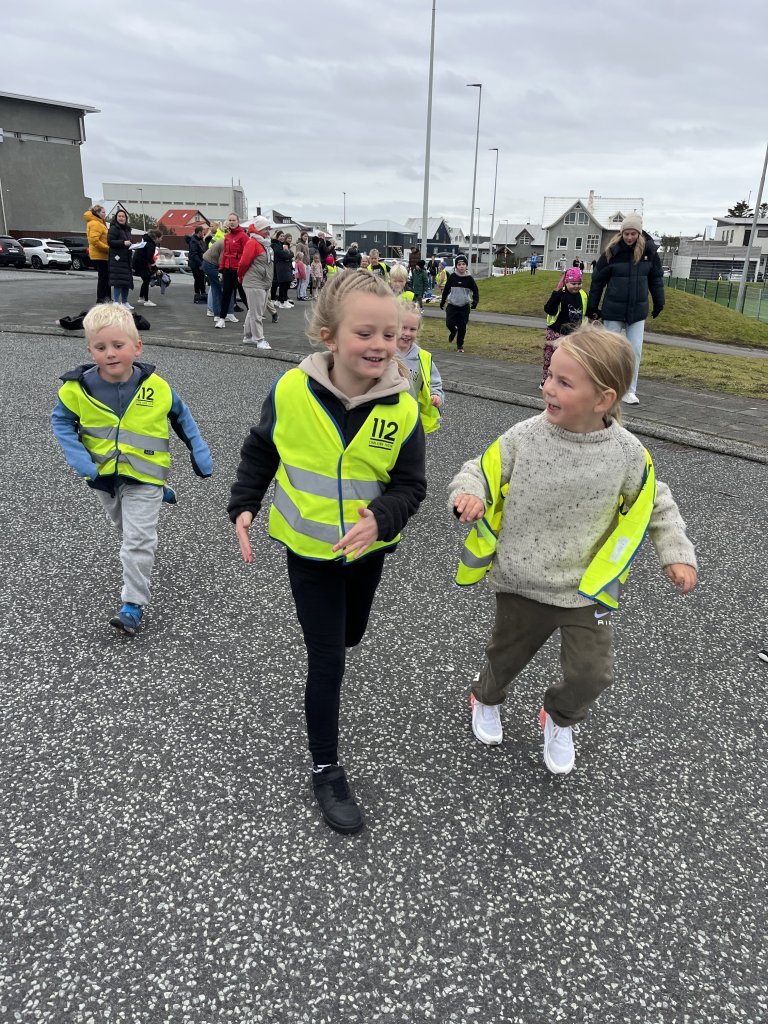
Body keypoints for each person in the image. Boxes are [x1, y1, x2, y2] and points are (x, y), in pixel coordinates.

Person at [228, 270, 426, 835]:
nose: (381, 345)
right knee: (328, 659)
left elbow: (411, 486)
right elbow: (261, 448)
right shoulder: (290, 391)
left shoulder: (402, 407)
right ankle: (326, 768)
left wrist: (380, 518)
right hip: (308, 553)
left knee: (351, 634)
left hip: (367, 553)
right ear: (328, 336)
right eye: (366, 333)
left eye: (389, 334)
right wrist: (244, 503)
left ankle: (340, 638)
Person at [449, 325, 697, 775]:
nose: (547, 387)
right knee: (505, 656)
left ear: (603, 399)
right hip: (523, 580)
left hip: (586, 589)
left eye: (563, 382)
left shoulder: (627, 453)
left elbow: (655, 501)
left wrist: (676, 552)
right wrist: (470, 493)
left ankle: (560, 716)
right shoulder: (526, 435)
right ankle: (485, 697)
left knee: (592, 674)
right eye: (549, 376)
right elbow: (480, 468)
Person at [51, 303, 212, 635]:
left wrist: (199, 451)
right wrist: (81, 461)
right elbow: (61, 423)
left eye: (118, 345)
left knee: (137, 541)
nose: (110, 353)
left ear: (137, 347)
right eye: (100, 347)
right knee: (126, 531)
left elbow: (183, 418)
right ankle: (158, 498)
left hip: (146, 475)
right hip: (103, 477)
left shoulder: (157, 387)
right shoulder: (76, 389)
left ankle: (132, 605)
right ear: (90, 350)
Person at [587, 214, 665, 407]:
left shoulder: (649, 253)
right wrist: (592, 306)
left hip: (637, 312)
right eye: (626, 233)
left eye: (633, 233)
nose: (629, 237)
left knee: (634, 351)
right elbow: (598, 281)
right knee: (609, 351)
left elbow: (656, 279)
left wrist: (659, 302)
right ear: (621, 234)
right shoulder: (612, 253)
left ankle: (630, 390)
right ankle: (605, 387)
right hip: (613, 310)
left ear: (639, 233)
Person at [396, 302, 443, 434]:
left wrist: (436, 395)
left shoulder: (423, 357)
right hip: (385, 413)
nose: (407, 333)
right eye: (403, 328)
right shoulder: (384, 352)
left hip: (411, 415)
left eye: (412, 329)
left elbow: (434, 383)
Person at [541, 266, 587, 386]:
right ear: (566, 282)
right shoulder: (560, 294)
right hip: (556, 332)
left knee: (569, 360)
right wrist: (556, 294)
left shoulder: (583, 295)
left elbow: (586, 309)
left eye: (579, 283)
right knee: (551, 359)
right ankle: (546, 380)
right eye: (573, 283)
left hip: (573, 334)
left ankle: (564, 381)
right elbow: (549, 309)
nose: (576, 286)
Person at [238, 217, 274, 349]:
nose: (268, 231)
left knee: (253, 311)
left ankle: (248, 337)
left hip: (262, 282)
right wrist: (241, 276)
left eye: (268, 228)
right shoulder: (253, 243)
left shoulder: (264, 243)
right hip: (254, 282)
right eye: (265, 228)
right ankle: (259, 339)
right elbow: (243, 263)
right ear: (259, 229)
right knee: (256, 314)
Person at [440, 254, 479, 353]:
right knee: (449, 323)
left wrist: (475, 301)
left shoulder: (469, 279)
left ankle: (460, 345)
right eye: (459, 264)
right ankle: (453, 331)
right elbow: (446, 290)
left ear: (466, 266)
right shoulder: (452, 277)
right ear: (456, 266)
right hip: (452, 305)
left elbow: (475, 291)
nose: (461, 266)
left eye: (463, 264)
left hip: (464, 306)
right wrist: (442, 301)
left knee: (462, 327)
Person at [215, 214, 247, 329]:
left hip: (239, 270)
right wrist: (221, 269)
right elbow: (225, 254)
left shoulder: (243, 236)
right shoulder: (227, 236)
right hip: (228, 270)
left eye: (234, 220)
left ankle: (251, 318)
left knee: (243, 295)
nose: (232, 222)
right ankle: (222, 319)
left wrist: (243, 269)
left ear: (238, 221)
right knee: (226, 295)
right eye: (230, 220)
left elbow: (246, 254)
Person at [107, 209, 134, 308]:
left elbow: (129, 241)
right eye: (119, 216)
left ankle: (125, 302)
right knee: (118, 281)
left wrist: (133, 245)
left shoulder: (127, 229)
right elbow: (110, 242)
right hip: (117, 259)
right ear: (116, 218)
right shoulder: (114, 228)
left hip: (126, 259)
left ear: (126, 218)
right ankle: (115, 301)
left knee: (126, 281)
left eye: (123, 216)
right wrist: (123, 243)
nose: (121, 218)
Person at [83, 205, 110, 303]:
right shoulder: (95, 223)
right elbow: (94, 240)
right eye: (103, 212)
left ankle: (106, 297)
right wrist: (107, 248)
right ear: (97, 213)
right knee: (103, 278)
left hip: (103, 255)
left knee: (105, 277)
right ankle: (101, 299)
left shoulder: (99, 222)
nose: (105, 214)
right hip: (100, 255)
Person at [132, 229, 162, 307]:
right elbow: (149, 258)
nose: (161, 239)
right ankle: (146, 300)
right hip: (141, 264)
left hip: (137, 263)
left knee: (145, 279)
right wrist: (156, 269)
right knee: (146, 279)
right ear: (156, 237)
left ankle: (141, 298)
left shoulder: (145, 241)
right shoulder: (150, 245)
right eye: (161, 238)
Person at [187, 225, 207, 303]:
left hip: (198, 263)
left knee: (201, 279)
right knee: (198, 279)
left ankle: (202, 294)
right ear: (199, 232)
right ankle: (198, 295)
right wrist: (200, 264)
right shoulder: (194, 241)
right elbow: (194, 254)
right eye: (203, 232)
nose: (204, 234)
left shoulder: (197, 240)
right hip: (196, 264)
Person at [275, 242, 295, 308]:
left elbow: (291, 255)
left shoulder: (286, 251)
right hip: (281, 269)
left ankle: (284, 301)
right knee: (282, 286)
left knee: (286, 286)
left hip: (287, 269)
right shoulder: (278, 250)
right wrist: (288, 254)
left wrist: (289, 253)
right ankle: (282, 302)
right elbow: (287, 256)